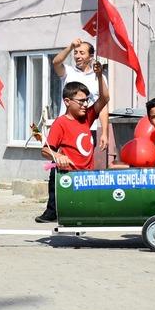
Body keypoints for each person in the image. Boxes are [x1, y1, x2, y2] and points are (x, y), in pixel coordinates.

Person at [35, 63, 109, 223]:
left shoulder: (87, 117)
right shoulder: (60, 123)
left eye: (87, 101)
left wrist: (99, 76)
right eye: (81, 101)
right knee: (55, 178)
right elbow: (45, 150)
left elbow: (105, 98)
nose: (85, 104)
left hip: (86, 176)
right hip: (68, 176)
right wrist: (56, 156)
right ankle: (52, 211)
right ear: (67, 101)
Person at [52, 38, 110, 156]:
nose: (77, 56)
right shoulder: (68, 72)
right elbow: (56, 63)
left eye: (82, 53)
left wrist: (104, 132)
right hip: (66, 125)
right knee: (61, 162)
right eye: (75, 52)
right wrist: (70, 47)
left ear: (91, 56)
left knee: (83, 164)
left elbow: (103, 105)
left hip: (88, 127)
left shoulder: (99, 78)